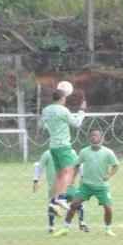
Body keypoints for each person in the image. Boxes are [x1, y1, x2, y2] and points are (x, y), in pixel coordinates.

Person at [55, 128, 119, 237]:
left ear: (101, 138)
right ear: (89, 138)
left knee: (108, 208)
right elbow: (76, 165)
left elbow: (116, 165)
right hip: (86, 185)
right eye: (92, 135)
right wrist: (73, 179)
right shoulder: (84, 152)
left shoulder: (108, 152)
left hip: (101, 186)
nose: (94, 137)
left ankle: (108, 230)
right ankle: (65, 228)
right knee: (74, 204)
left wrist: (109, 175)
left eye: (96, 135)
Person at [41, 81, 86, 217]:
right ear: (62, 98)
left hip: (53, 146)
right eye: (65, 98)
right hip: (63, 146)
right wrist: (82, 111)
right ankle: (61, 198)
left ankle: (53, 203)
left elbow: (44, 125)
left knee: (60, 174)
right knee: (71, 170)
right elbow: (76, 123)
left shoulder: (46, 110)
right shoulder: (63, 110)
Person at [32, 149, 85, 233]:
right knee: (77, 203)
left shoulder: (49, 153)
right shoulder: (70, 152)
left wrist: (36, 180)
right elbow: (80, 165)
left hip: (57, 187)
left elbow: (38, 166)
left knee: (53, 204)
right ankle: (81, 222)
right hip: (65, 186)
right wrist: (82, 176)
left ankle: (51, 226)